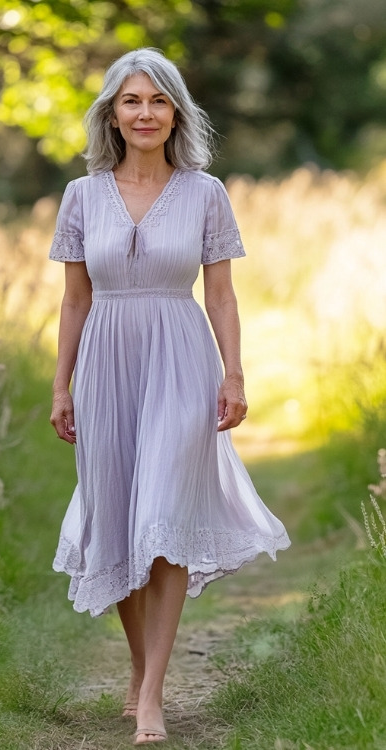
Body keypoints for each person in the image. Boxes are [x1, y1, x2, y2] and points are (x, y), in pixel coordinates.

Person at [49, 48, 290, 746]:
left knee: (162, 519)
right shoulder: (81, 196)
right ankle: (139, 665)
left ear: (176, 110)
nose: (145, 113)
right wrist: (60, 384)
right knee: (121, 519)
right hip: (105, 363)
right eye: (132, 101)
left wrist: (234, 373)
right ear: (112, 114)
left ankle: (152, 694)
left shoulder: (206, 192)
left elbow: (221, 292)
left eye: (158, 100)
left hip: (182, 360)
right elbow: (72, 300)